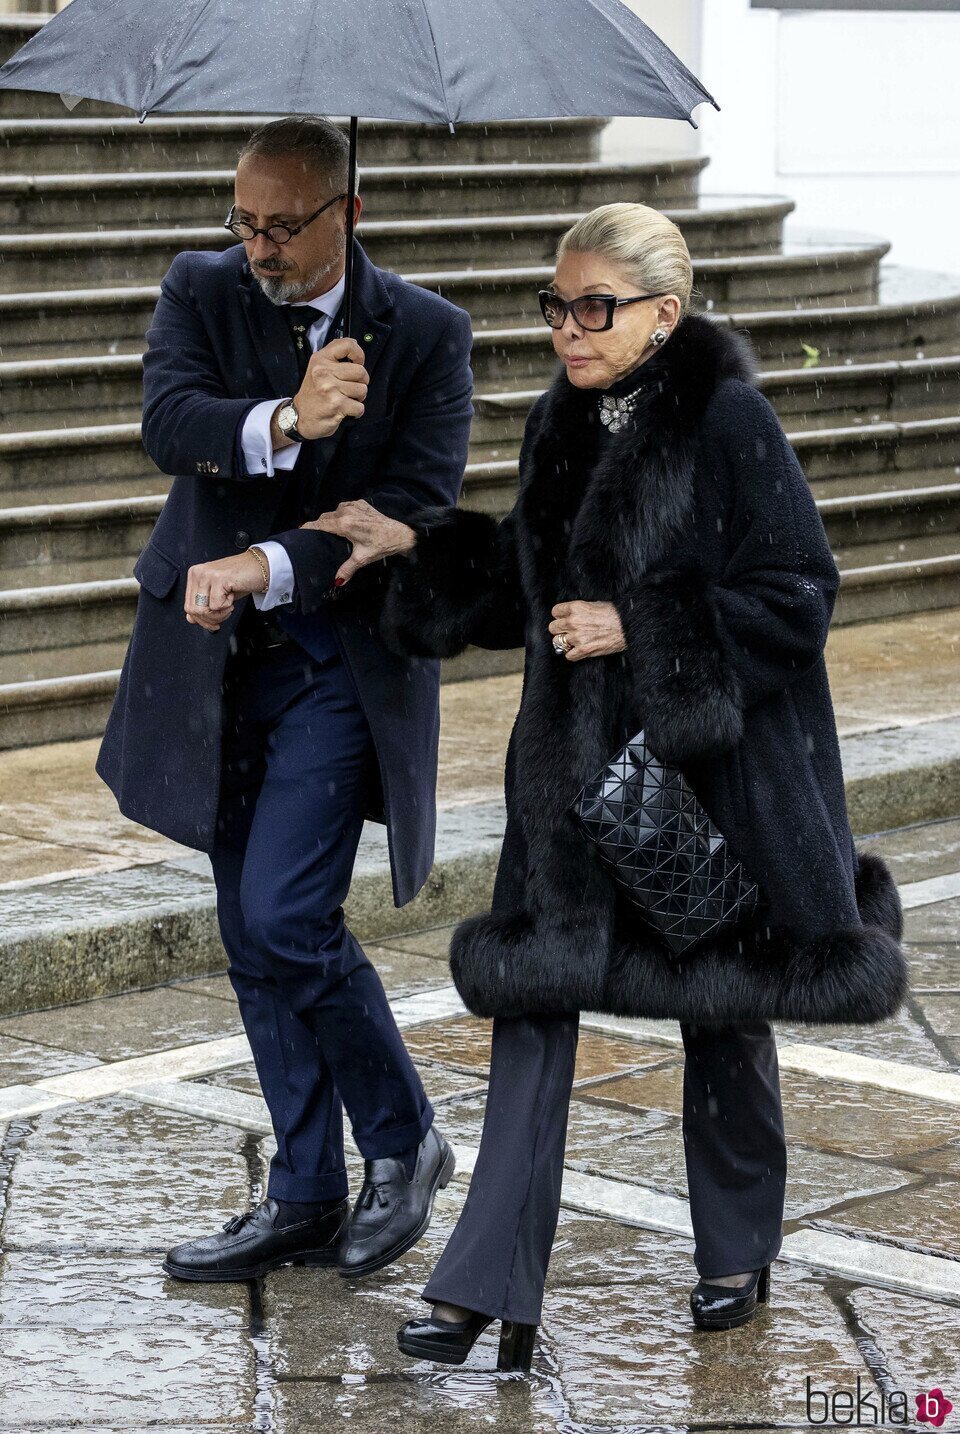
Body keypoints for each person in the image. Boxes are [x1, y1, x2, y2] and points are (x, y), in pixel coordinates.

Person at [298, 202, 908, 1368]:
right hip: (573, 796)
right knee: (534, 1007)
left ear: (662, 315)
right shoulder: (558, 422)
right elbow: (529, 582)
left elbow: (796, 595)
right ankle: (486, 1285)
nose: (568, 330)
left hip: (711, 793)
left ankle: (736, 1245)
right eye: (555, 307)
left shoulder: (730, 421)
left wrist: (641, 625)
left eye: (594, 308)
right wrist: (410, 550)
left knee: (722, 1012)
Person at [95, 115, 473, 1283]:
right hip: (211, 668)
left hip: (336, 668)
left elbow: (407, 507)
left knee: (284, 917)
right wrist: (284, 420)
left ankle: (404, 1142)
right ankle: (304, 1186)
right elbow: (170, 420)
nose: (256, 247)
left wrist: (272, 562)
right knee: (246, 936)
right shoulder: (199, 289)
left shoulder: (424, 336)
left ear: (346, 215)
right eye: (243, 222)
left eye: (281, 227)